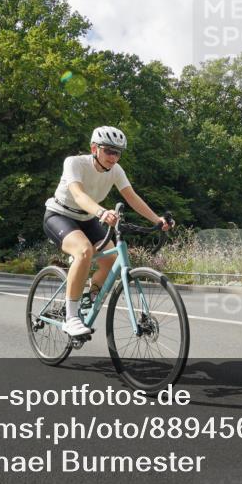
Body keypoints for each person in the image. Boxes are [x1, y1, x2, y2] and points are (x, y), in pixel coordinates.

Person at [43, 126, 172, 337]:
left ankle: (89, 297)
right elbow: (78, 195)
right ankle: (71, 318)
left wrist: (156, 219)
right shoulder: (74, 163)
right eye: (109, 151)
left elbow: (132, 197)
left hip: (88, 219)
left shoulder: (116, 170)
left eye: (118, 153)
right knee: (84, 251)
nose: (113, 157)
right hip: (60, 215)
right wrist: (102, 212)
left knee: (111, 260)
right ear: (94, 148)